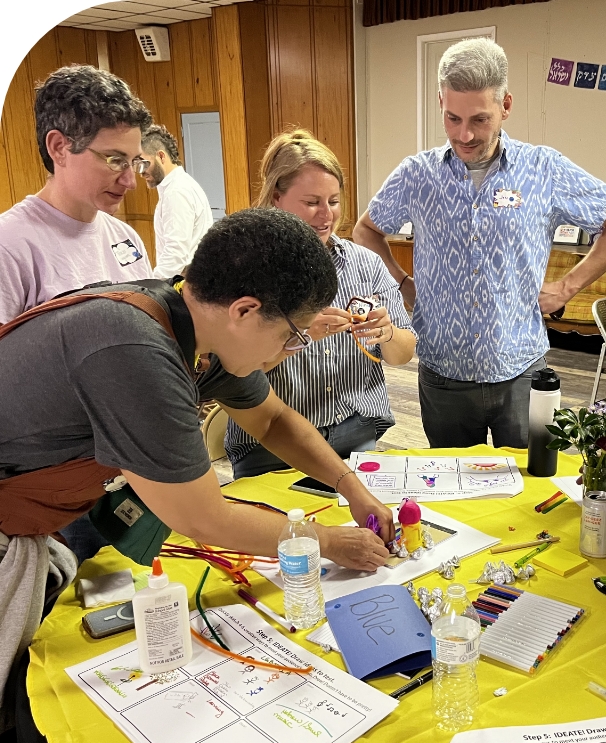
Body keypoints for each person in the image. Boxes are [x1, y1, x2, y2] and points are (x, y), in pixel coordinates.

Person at [0, 207, 394, 734]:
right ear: (246, 310)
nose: (289, 352)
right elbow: (203, 518)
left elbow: (273, 421)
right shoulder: (136, 349)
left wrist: (351, 487)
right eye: (293, 337)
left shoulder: (197, 331)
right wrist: (327, 540)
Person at [353, 38, 606, 449]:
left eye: (479, 120)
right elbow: (366, 230)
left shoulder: (544, 169)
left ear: (506, 105)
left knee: (530, 491)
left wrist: (567, 286)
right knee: (455, 496)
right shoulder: (417, 174)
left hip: (521, 373)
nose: (464, 134)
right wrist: (403, 283)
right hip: (443, 374)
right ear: (440, 102)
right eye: (452, 118)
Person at [225, 130, 417, 479]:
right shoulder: (247, 272)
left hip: (356, 435)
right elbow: (234, 372)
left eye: (333, 201)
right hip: (272, 443)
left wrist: (387, 333)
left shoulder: (366, 264)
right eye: (312, 202)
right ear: (277, 199)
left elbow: (402, 354)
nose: (325, 215)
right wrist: (302, 334)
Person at [0, 64, 154, 326]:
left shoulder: (126, 238)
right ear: (59, 148)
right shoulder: (10, 247)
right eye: (115, 160)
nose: (130, 182)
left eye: (134, 162)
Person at [140, 124, 213, 279]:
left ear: (161, 156)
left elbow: (176, 253)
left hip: (184, 284)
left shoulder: (177, 191)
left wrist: (152, 289)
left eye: (144, 163)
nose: (141, 172)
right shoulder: (178, 187)